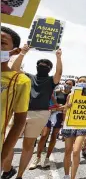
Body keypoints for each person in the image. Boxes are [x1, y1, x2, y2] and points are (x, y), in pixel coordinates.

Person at [3, 44, 62, 179]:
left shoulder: (51, 81)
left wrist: (58, 57)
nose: (43, 66)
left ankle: (19, 175)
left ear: (49, 70)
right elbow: (14, 69)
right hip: (20, 112)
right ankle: (7, 169)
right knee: (7, 142)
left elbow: (59, 74)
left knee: (28, 146)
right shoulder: (28, 77)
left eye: (46, 65)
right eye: (41, 64)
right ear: (36, 67)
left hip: (39, 114)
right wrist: (23, 53)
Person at [1, 27, 31, 173]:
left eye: (2, 43)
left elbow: (19, 122)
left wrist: (3, 156)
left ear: (14, 51)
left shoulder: (19, 81)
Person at [29, 79, 75, 169]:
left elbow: (68, 108)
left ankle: (46, 158)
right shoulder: (56, 92)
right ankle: (37, 157)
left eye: (70, 84)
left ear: (73, 86)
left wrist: (60, 109)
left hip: (60, 117)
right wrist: (61, 107)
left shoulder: (72, 96)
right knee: (44, 135)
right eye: (66, 83)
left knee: (54, 136)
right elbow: (52, 104)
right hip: (49, 114)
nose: (67, 85)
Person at [62, 76, 86, 179]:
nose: (81, 82)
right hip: (69, 125)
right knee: (68, 150)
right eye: (79, 81)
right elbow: (65, 110)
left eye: (84, 81)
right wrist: (67, 107)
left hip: (83, 126)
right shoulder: (71, 94)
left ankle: (73, 177)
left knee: (76, 150)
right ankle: (66, 175)